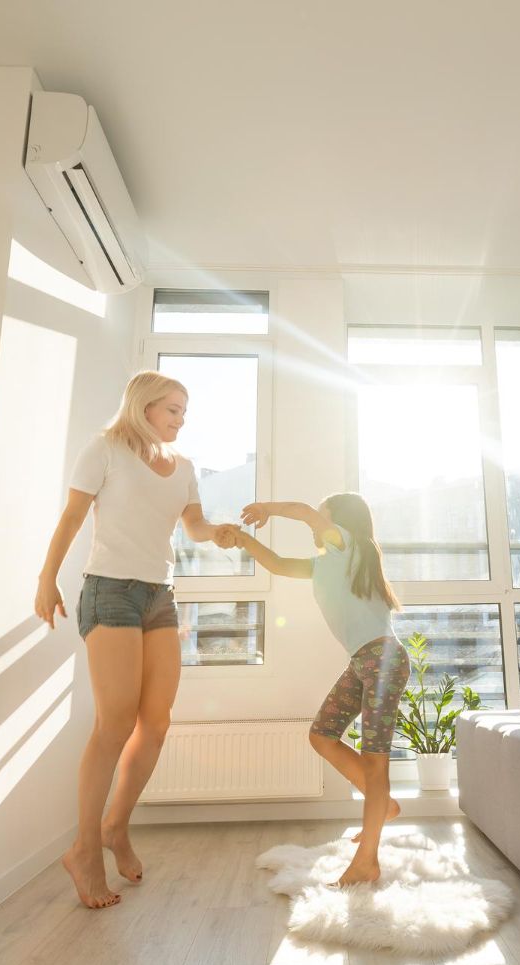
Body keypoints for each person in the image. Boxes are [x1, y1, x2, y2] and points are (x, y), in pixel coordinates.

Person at [34, 370, 235, 908]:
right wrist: (46, 578)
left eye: (184, 412)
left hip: (158, 596)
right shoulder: (104, 450)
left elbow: (192, 526)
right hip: (111, 592)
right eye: (173, 409)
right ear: (144, 407)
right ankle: (83, 850)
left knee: (157, 722)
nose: (180, 419)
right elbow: (73, 517)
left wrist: (217, 532)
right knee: (115, 722)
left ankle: (114, 827)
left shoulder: (184, 468)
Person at [228, 493, 408, 887]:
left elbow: (304, 513)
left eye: (322, 518)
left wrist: (266, 509)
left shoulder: (348, 546)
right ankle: (384, 805)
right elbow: (276, 564)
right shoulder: (326, 564)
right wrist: (243, 540)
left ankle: (367, 861)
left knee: (375, 762)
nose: (315, 525)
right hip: (363, 662)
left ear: (338, 522)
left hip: (383, 660)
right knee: (322, 735)